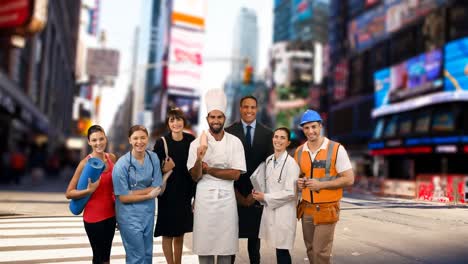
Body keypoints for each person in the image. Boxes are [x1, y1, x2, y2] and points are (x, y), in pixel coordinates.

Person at [187, 89, 247, 264]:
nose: (215, 121)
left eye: (219, 117)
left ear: (224, 119)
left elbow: (235, 174)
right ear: (207, 119)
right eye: (212, 117)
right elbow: (195, 176)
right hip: (204, 199)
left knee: (225, 249)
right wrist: (200, 157)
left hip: (227, 200)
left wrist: (209, 170)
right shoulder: (196, 144)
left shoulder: (235, 142)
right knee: (204, 248)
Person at [294, 110, 354, 264]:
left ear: (320, 126)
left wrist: (322, 185)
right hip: (306, 207)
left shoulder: (336, 149)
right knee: (311, 249)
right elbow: (298, 176)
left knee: (321, 252)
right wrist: (299, 181)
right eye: (306, 128)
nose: (310, 131)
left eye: (313, 126)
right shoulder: (299, 152)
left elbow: (349, 179)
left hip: (327, 208)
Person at [225, 95, 273, 264]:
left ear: (257, 109)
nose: (249, 110)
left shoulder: (268, 134)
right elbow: (225, 165)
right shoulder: (229, 132)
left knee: (255, 245)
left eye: (252, 107)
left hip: (256, 194)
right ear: (240, 108)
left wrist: (256, 193)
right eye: (245, 107)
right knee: (229, 243)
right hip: (233, 193)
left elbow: (270, 167)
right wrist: (236, 193)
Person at [65, 125, 117, 264]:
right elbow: (69, 193)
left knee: (106, 258)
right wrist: (89, 190)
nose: (98, 143)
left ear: (105, 138)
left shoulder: (112, 158)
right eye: (94, 140)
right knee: (99, 258)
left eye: (101, 139)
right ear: (89, 142)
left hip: (111, 216)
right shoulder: (84, 164)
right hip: (94, 218)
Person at [112, 125, 163, 264]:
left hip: (147, 214)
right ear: (129, 140)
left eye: (143, 137)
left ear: (148, 138)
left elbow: (158, 186)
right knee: (136, 257)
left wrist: (132, 192)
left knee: (147, 255)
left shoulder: (153, 158)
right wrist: (148, 195)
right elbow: (123, 197)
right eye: (135, 138)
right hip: (129, 216)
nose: (139, 142)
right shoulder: (121, 165)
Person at [153, 108, 195, 264]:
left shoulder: (191, 140)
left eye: (178, 119)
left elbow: (195, 168)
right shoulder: (161, 142)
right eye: (172, 120)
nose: (176, 123)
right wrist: (164, 168)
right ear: (168, 124)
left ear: (183, 121)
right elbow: (154, 170)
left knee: (180, 233)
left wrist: (195, 195)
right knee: (167, 233)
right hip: (168, 194)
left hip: (185, 193)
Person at [252, 127, 300, 264]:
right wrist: (258, 191)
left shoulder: (292, 164)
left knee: (282, 251)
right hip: (271, 211)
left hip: (284, 214)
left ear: (288, 143)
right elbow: (269, 185)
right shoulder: (268, 160)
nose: (278, 140)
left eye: (282, 138)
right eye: (276, 136)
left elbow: (290, 193)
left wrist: (265, 197)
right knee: (278, 249)